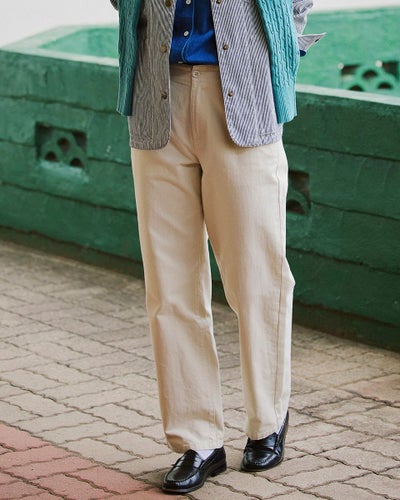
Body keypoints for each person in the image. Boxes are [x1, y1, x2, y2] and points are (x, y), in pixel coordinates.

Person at [110, 0, 323, 494]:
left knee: (256, 276)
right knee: (170, 285)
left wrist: (281, 46)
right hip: (157, 89)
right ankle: (198, 440)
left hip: (244, 88)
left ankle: (267, 420)